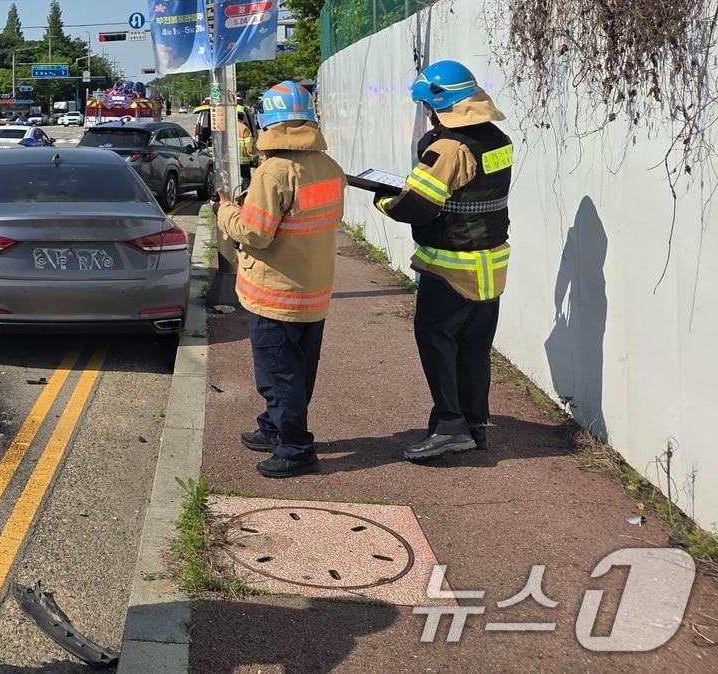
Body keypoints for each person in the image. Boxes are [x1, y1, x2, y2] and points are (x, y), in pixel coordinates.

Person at [375, 60, 512, 462]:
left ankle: (450, 426)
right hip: (491, 264)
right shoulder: (498, 139)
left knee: (437, 343)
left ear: (438, 104)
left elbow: (416, 205)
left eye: (428, 107)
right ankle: (474, 426)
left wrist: (384, 200)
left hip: (452, 267)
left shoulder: (449, 148)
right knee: (474, 348)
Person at [212, 82, 345, 479]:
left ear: (267, 122)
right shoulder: (328, 167)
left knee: (277, 373)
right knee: (300, 369)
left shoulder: (274, 172)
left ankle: (296, 448)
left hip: (274, 294)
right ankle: (274, 427)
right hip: (313, 290)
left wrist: (225, 211)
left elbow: (255, 233)